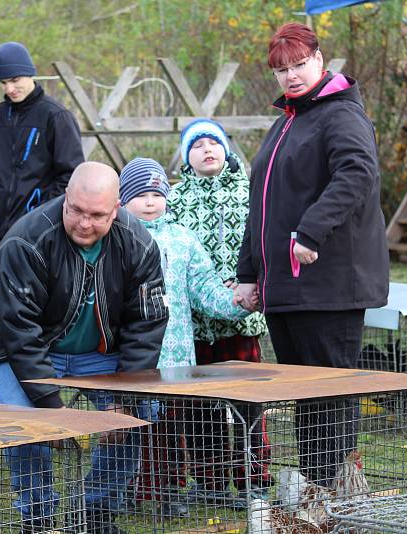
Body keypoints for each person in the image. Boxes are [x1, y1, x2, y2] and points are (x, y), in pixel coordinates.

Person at [0, 161, 168, 534]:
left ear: (116, 209)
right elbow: (20, 331)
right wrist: (53, 408)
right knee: (26, 428)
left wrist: (124, 397)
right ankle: (39, 519)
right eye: (76, 210)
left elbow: (146, 322)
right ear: (65, 198)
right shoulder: (25, 240)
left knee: (135, 415)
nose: (84, 223)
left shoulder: (140, 244)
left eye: (96, 215)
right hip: (31, 349)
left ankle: (95, 513)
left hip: (99, 353)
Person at [236, 22, 389, 489]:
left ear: (320, 60)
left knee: (329, 394)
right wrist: (249, 273)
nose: (292, 76)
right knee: (304, 394)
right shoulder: (285, 121)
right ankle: (315, 491)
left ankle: (337, 493)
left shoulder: (341, 114)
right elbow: (260, 203)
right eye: (282, 69)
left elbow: (357, 173)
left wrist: (312, 231)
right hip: (287, 287)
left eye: (300, 65)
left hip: (329, 285)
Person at [118, 157, 252, 516]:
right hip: (132, 358)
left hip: (177, 358)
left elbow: (205, 289)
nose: (150, 201)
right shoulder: (117, 237)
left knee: (175, 428)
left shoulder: (182, 239)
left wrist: (239, 300)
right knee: (138, 430)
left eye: (156, 193)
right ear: (123, 199)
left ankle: (174, 491)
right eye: (140, 194)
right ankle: (137, 491)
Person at [0, 40, 84, 399]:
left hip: (38, 238)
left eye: (16, 79)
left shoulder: (55, 116)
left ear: (31, 74)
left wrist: (39, 216)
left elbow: (70, 176)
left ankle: (39, 393)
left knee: (31, 314)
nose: (11, 88)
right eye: (4, 83)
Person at [168, 120, 271, 502]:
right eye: (197, 145)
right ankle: (209, 482)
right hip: (194, 325)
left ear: (227, 149)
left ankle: (254, 478)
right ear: (185, 156)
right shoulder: (175, 201)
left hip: (243, 315)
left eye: (214, 142)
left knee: (248, 402)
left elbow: (262, 242)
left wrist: (246, 284)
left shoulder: (250, 194)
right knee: (200, 407)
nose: (207, 150)